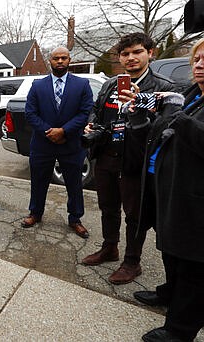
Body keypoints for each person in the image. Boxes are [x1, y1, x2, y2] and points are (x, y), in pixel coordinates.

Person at [124, 38, 204, 342]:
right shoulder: (191, 94)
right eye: (196, 59)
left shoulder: (184, 103)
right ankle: (170, 292)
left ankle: (179, 330)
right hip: (164, 185)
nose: (199, 65)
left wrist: (177, 114)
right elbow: (158, 131)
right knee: (171, 249)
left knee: (193, 265)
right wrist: (140, 114)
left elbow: (187, 129)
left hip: (193, 197)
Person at [81, 32, 174, 285]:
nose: (131, 58)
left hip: (135, 161)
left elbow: (165, 128)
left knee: (134, 214)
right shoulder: (111, 84)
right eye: (125, 54)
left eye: (137, 52)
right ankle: (110, 247)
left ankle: (132, 262)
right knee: (107, 207)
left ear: (150, 53)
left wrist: (140, 107)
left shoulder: (163, 87)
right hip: (106, 156)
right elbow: (96, 112)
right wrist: (91, 126)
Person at [20, 46, 93, 239]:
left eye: (63, 58)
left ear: (69, 60)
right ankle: (35, 213)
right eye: (55, 58)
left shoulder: (82, 85)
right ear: (49, 61)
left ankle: (75, 218)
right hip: (42, 144)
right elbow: (30, 113)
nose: (59, 61)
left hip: (71, 145)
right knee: (38, 181)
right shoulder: (37, 85)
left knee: (74, 183)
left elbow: (85, 113)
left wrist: (64, 131)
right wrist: (48, 131)